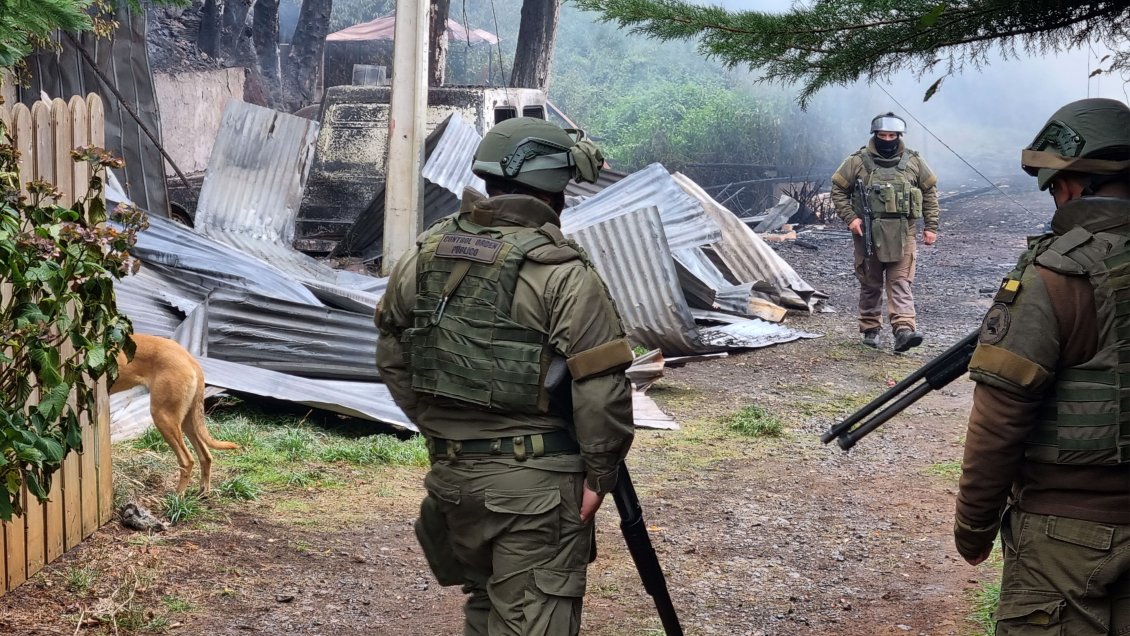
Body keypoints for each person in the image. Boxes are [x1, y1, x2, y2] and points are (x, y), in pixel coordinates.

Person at [374, 117, 636, 636]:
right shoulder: (560, 269)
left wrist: (439, 427)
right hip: (535, 490)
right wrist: (599, 474)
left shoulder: (427, 252)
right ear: (557, 189)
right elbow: (600, 385)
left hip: (452, 479)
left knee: (486, 606)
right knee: (531, 619)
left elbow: (392, 352)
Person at [954, 98, 1130, 634]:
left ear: (1074, 184)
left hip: (1069, 540)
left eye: (1053, 184)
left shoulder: (1056, 276)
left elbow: (999, 420)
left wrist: (973, 527)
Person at [831, 112, 940, 352]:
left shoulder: (913, 162)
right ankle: (870, 329)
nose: (887, 139)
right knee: (870, 284)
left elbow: (930, 192)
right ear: (875, 135)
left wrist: (931, 226)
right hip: (868, 231)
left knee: (900, 282)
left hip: (904, 232)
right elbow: (838, 189)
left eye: (892, 135)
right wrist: (851, 218)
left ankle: (904, 330)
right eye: (883, 135)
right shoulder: (858, 161)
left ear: (899, 136)